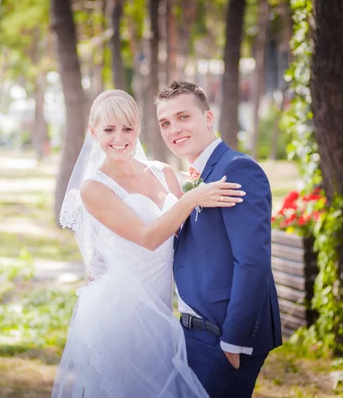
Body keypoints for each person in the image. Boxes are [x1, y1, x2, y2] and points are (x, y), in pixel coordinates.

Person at [53, 89, 244, 398]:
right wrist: (193, 196)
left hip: (162, 307)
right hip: (120, 311)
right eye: (109, 129)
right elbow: (148, 237)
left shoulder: (164, 172)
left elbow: (188, 236)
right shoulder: (93, 188)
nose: (120, 137)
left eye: (127, 128)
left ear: (138, 127)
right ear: (93, 132)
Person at [155, 81, 282, 397]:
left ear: (208, 118)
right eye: (165, 123)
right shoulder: (197, 175)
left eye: (184, 117)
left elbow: (251, 261)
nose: (174, 129)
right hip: (194, 335)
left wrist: (234, 341)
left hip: (223, 337)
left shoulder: (236, 169)